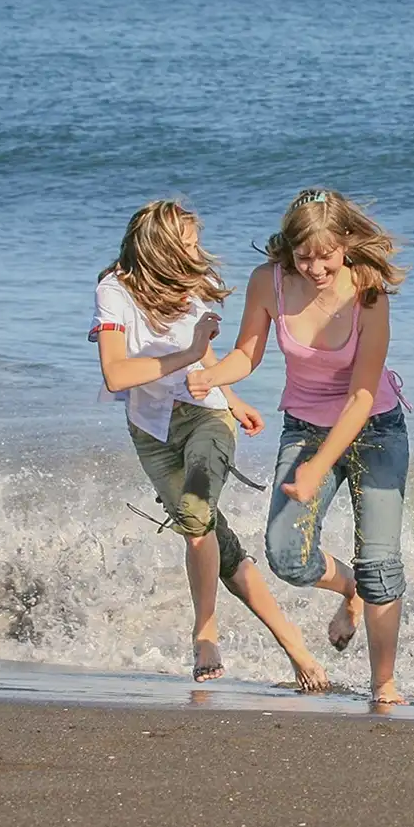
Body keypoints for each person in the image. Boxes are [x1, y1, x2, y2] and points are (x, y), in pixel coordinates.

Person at [92, 199, 329, 690]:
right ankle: (297, 648)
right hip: (150, 428)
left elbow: (208, 357)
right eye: (189, 244)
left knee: (196, 516)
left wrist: (231, 395)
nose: (198, 254)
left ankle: (205, 632)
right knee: (217, 546)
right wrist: (191, 352)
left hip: (207, 415)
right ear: (159, 249)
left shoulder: (192, 283)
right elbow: (116, 375)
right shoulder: (114, 290)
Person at [188, 189, 410, 705]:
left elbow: (360, 396)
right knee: (287, 556)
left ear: (347, 244)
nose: (313, 268)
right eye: (303, 256)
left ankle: (385, 685)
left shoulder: (367, 289)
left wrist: (316, 471)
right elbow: (247, 353)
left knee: (380, 563)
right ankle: (349, 589)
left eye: (324, 256)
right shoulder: (269, 282)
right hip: (305, 426)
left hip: (374, 428)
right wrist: (214, 377)